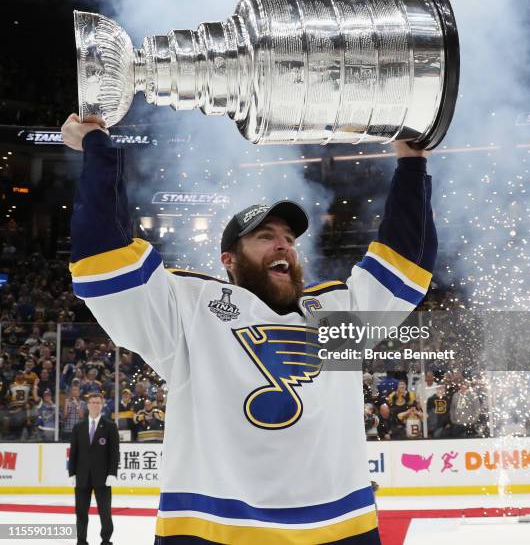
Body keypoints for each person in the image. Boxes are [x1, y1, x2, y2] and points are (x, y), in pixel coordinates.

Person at [63, 113, 437, 545]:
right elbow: (104, 260)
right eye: (265, 236)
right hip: (212, 531)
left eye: (289, 239)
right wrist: (99, 150)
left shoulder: (335, 313)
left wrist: (412, 162)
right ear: (229, 260)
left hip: (338, 529)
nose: (284, 245)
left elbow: (405, 262)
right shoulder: (190, 310)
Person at [68, 392, 119, 545]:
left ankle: (106, 540)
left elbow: (114, 452)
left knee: (105, 513)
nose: (95, 405)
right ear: (88, 404)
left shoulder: (110, 426)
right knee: (81, 513)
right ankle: (81, 540)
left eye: (98, 402)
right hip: (82, 477)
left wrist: (112, 473)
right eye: (92, 402)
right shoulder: (78, 427)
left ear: (102, 405)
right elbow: (74, 452)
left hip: (103, 477)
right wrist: (72, 473)